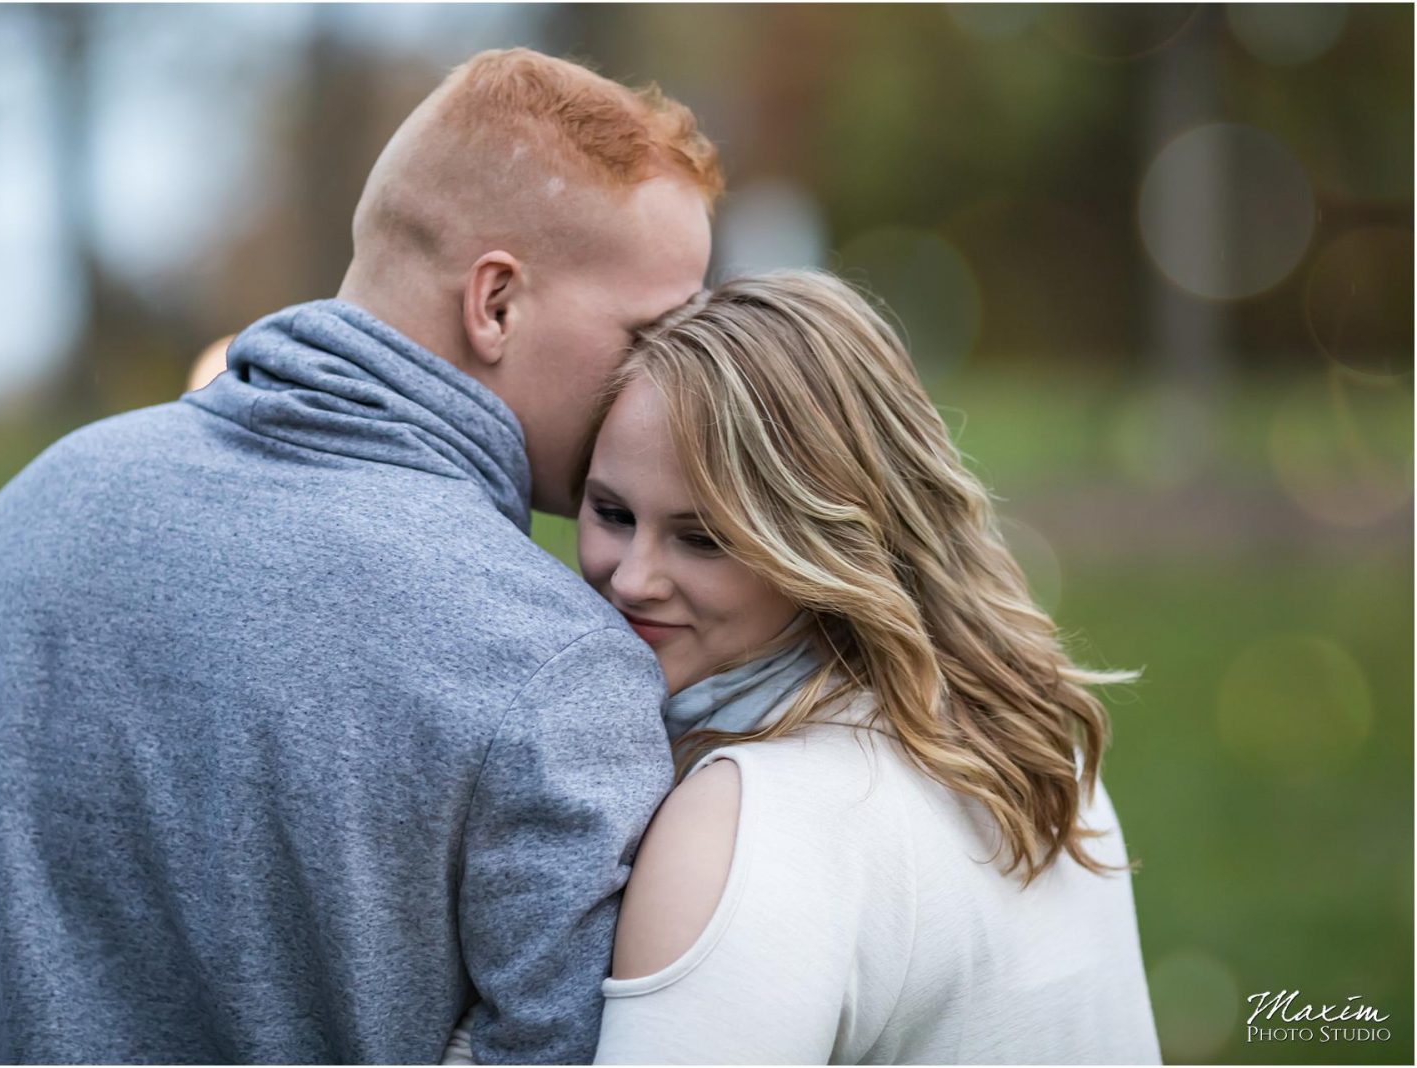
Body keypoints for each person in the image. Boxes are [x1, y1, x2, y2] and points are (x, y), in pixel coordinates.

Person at [0, 49, 719, 1064]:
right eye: (654, 334)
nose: (682, 381)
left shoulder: (27, 516)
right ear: (496, 304)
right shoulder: (554, 665)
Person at [451, 270, 1161, 1063]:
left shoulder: (743, 822)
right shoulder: (1027, 732)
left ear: (827, 542)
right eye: (612, 513)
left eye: (705, 537)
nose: (632, 578)